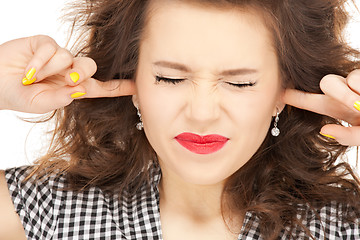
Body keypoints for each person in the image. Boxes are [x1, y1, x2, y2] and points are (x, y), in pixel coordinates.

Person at [0, 0, 360, 239]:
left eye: (240, 82)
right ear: (134, 82)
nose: (201, 113)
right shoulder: (53, 206)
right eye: (170, 78)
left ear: (282, 93)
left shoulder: (343, 225)